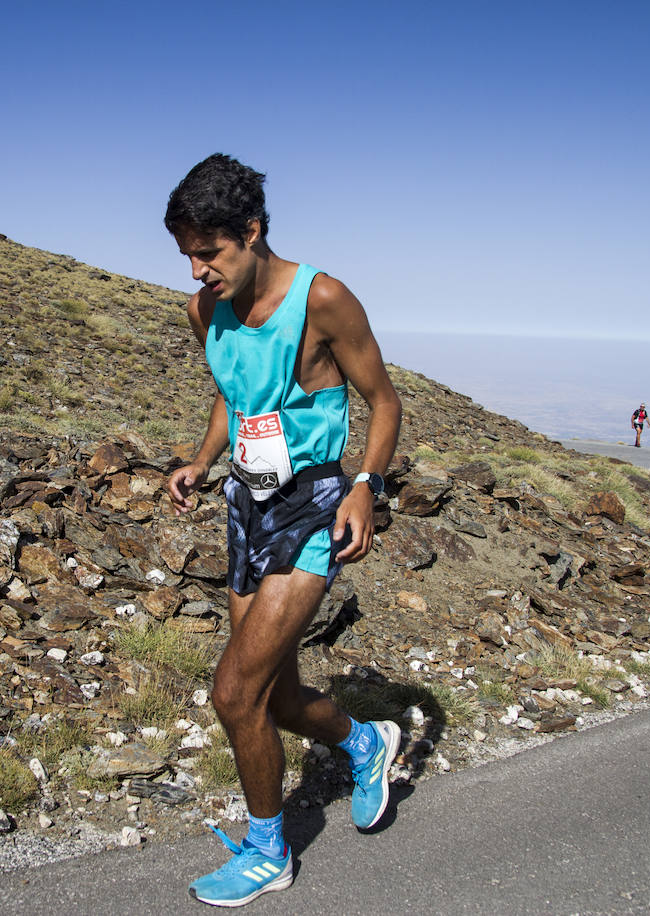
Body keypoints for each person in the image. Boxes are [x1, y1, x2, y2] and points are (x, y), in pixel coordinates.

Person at [163, 153, 404, 907]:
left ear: (253, 231)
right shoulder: (205, 310)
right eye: (188, 255)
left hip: (312, 505)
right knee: (274, 695)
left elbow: (385, 402)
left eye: (211, 252)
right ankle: (366, 744)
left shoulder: (323, 298)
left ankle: (270, 851)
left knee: (233, 693)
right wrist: (200, 462)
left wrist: (365, 486)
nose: (199, 270)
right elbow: (231, 395)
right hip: (247, 503)